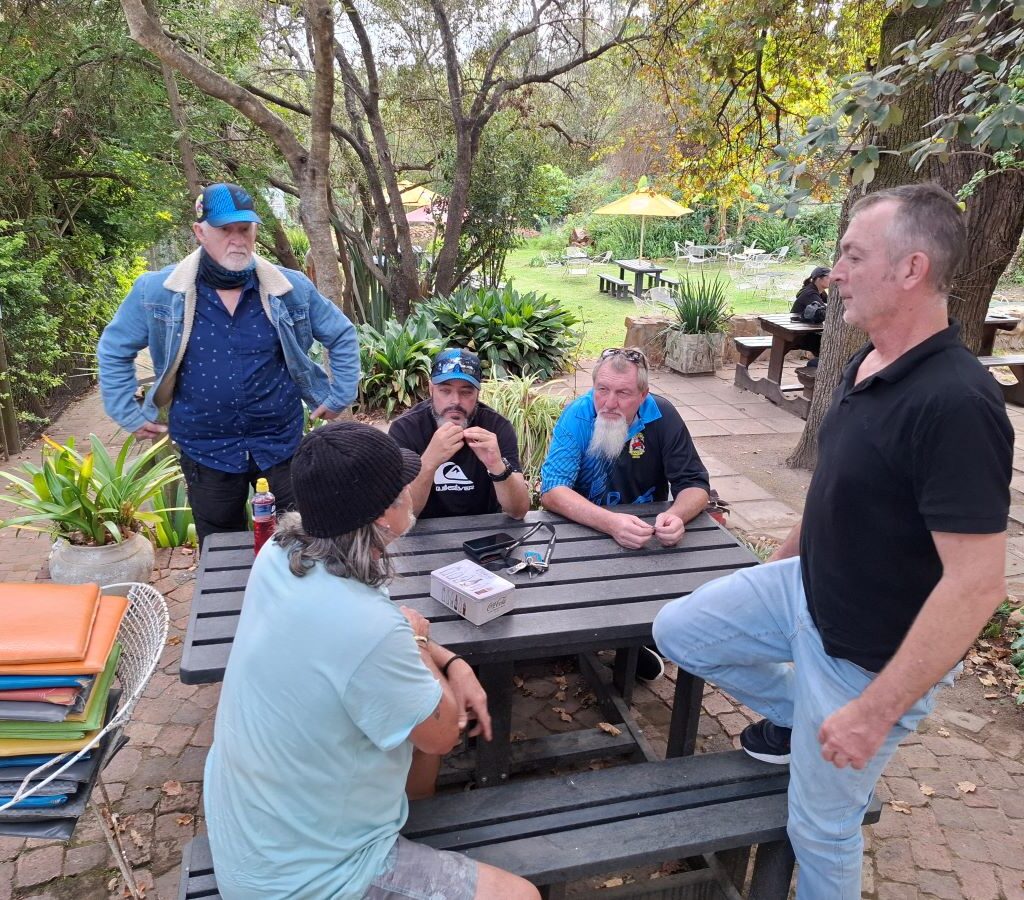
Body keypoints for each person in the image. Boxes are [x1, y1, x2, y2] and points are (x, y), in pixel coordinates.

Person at [653, 183, 1012, 898]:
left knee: (819, 832)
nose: (834, 272)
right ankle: (797, 716)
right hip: (804, 592)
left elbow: (976, 586)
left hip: (865, 662)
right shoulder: (865, 361)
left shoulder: (958, 403)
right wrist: (776, 569)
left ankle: (821, 725)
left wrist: (871, 714)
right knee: (679, 628)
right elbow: (835, 490)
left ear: (910, 270)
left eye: (852, 254)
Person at [203, 422, 539, 900]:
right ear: (386, 514)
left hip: (253, 825)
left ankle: (406, 823)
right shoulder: (365, 625)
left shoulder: (282, 556)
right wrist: (424, 650)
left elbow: (394, 628)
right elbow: (442, 731)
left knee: (412, 719)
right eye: (402, 484)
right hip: (305, 878)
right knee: (520, 896)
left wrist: (454, 662)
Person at [97, 183, 358, 548]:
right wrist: (126, 411)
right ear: (200, 232)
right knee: (221, 547)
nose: (237, 239)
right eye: (225, 229)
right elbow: (114, 349)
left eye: (245, 228)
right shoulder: (157, 292)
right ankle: (233, 603)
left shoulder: (289, 288)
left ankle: (290, 602)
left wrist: (341, 392)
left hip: (279, 442)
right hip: (206, 448)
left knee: (299, 541)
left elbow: (341, 334)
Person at [540, 347, 711, 680]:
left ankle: (633, 643)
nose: (608, 403)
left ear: (643, 395)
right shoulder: (577, 415)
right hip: (583, 533)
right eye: (601, 389)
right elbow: (552, 491)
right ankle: (615, 644)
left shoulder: (662, 415)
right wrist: (610, 523)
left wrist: (677, 516)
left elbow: (695, 485)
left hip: (644, 538)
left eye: (623, 393)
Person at [389, 348, 530, 520]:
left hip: (484, 533)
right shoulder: (405, 429)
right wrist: (428, 463)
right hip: (422, 534)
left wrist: (497, 466)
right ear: (431, 389)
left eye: (466, 392)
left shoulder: (496, 427)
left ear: (478, 393)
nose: (455, 401)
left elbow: (518, 511)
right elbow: (401, 514)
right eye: (445, 390)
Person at [792, 266, 831, 369]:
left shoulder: (820, 292)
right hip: (798, 334)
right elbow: (826, 311)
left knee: (824, 341)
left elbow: (830, 306)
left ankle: (821, 365)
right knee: (825, 342)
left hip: (807, 330)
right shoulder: (810, 293)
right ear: (819, 278)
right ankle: (822, 367)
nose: (831, 280)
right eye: (828, 277)